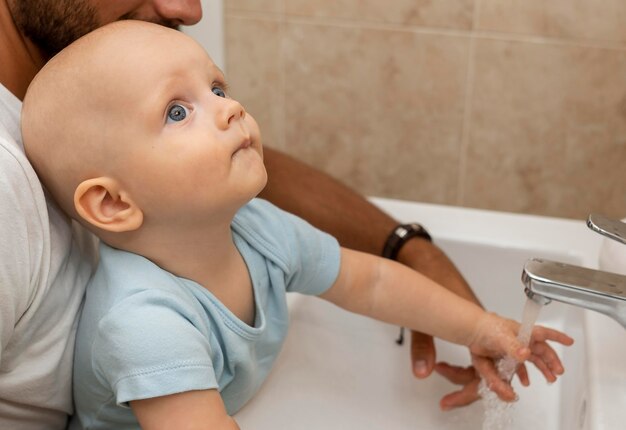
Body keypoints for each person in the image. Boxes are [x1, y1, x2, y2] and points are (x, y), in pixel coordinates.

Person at [21, 21, 574, 430]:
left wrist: (480, 327)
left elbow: (370, 282)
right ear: (114, 205)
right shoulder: (143, 323)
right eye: (176, 111)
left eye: (216, 87)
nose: (230, 108)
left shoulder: (255, 227)